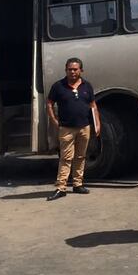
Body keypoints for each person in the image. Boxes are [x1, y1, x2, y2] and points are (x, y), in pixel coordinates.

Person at [46, 58, 100, 201]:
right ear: (66, 70)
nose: (72, 72)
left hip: (84, 127)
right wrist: (53, 120)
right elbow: (49, 103)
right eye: (70, 69)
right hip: (66, 128)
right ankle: (61, 187)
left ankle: (78, 184)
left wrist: (97, 123)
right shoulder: (58, 86)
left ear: (81, 70)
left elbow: (93, 105)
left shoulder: (87, 86)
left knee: (81, 156)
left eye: (75, 69)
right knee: (66, 158)